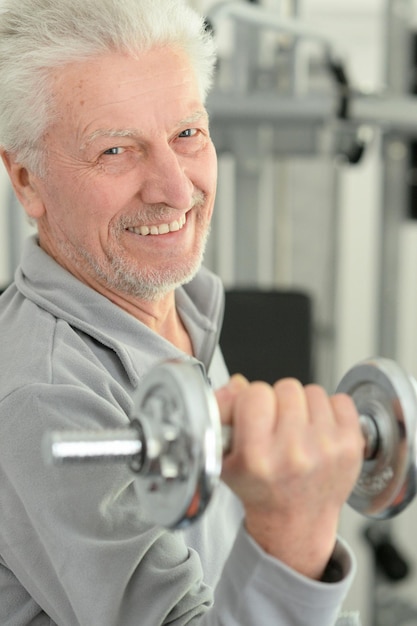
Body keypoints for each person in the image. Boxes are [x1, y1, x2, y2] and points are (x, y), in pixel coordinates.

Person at [0, 0, 364, 624]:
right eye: (117, 150)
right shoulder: (44, 397)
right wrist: (293, 532)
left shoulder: (170, 308)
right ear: (27, 180)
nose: (175, 188)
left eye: (187, 133)